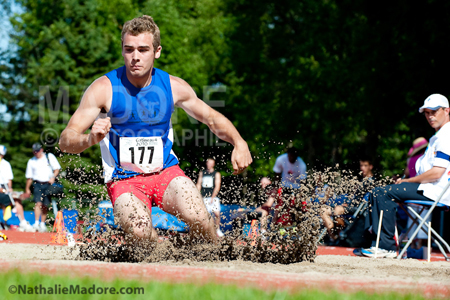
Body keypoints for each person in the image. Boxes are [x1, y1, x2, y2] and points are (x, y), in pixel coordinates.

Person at [59, 15, 252, 244]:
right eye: (129, 49)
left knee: (200, 217)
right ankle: (161, 251)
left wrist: (239, 143)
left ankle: (215, 257)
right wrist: (90, 138)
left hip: (166, 174)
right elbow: (65, 140)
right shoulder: (103, 88)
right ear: (122, 50)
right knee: (142, 236)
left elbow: (210, 117)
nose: (135, 57)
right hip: (124, 180)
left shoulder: (172, 86)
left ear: (157, 51)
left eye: (143, 49)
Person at [361, 94, 450, 258]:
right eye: (427, 112)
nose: (430, 116)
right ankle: (371, 243)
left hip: (434, 191)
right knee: (376, 192)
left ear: (447, 111)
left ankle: (385, 247)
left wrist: (408, 180)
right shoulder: (438, 135)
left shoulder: (446, 136)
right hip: (428, 188)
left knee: (382, 193)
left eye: (434, 111)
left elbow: (437, 172)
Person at [320, 158, 374, 240]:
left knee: (338, 209)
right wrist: (347, 203)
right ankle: (334, 236)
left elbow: (364, 200)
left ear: (370, 167)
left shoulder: (372, 182)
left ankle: (341, 235)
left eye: (365, 166)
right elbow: (353, 196)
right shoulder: (359, 181)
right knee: (323, 210)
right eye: (361, 165)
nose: (362, 168)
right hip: (349, 206)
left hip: (360, 209)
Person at [23, 143, 61, 232]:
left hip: (48, 184)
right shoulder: (31, 161)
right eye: (34, 151)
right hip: (37, 184)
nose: (36, 153)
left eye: (37, 150)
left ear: (41, 150)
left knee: (45, 204)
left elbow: (57, 169)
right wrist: (27, 189)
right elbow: (29, 177)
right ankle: (36, 223)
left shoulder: (49, 157)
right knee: (38, 203)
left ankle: (42, 223)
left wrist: (53, 177)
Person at [403, 137, 430, 251]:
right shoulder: (426, 159)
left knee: (412, 220)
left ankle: (412, 245)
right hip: (424, 192)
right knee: (424, 219)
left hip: (411, 193)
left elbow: (406, 173)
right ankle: (422, 245)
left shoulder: (410, 160)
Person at [0, 145, 35, 232]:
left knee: (15, 199)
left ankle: (22, 221)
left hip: (4, 188)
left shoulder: (6, 164)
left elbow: (9, 179)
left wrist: (9, 189)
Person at [196, 158, 224, 237]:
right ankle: (206, 230)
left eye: (211, 163)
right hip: (204, 197)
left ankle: (217, 229)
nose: (209, 164)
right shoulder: (202, 173)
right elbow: (198, 184)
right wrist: (197, 195)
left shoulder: (216, 174)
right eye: (208, 163)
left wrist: (213, 196)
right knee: (205, 215)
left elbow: (217, 186)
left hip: (213, 197)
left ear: (213, 164)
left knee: (217, 214)